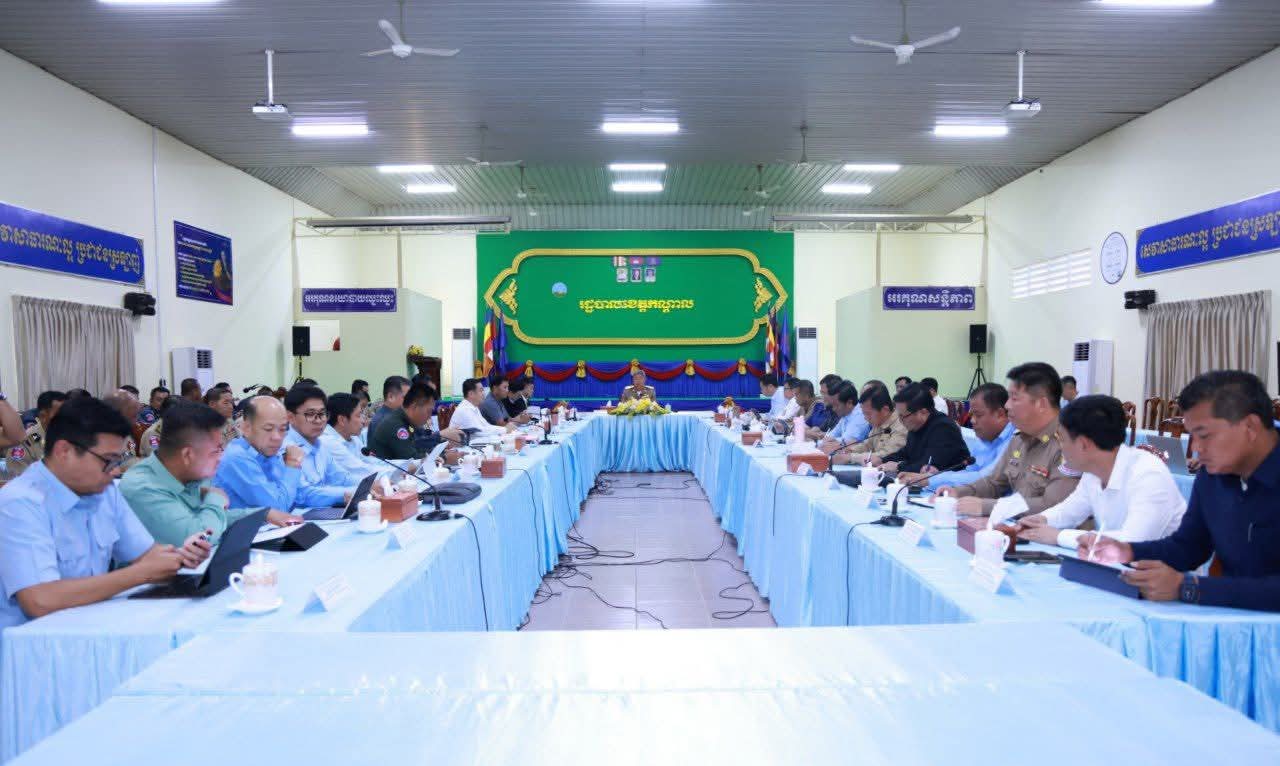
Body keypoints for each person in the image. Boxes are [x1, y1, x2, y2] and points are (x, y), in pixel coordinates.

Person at [0, 397, 211, 628]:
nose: (116, 471)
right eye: (108, 461)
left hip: (92, 625)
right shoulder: (20, 503)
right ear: (64, 451)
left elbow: (147, 555)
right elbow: (39, 600)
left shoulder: (104, 491)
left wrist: (180, 556)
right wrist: (139, 574)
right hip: (32, 641)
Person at [1084, 371, 1280, 609]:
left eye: (1204, 435)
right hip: (1235, 621)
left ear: (1250, 426)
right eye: (1192, 436)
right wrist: (1126, 551)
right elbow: (1188, 547)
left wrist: (1190, 588)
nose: (1196, 448)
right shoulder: (1213, 476)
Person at [1015, 395, 1185, 550]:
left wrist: (1059, 536)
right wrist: (1042, 520)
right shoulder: (1093, 470)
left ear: (1083, 444)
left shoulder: (1148, 474)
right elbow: (1072, 509)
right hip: (1111, 565)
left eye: (1063, 439)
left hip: (1159, 571)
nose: (1060, 447)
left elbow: (1132, 542)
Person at [122, 403, 301, 547]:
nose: (221, 457)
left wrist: (263, 514)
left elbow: (212, 519)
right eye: (216, 450)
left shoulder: (191, 472)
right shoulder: (143, 487)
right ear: (188, 455)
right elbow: (198, 536)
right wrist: (215, 498)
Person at [940, 362, 1079, 518]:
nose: (1007, 405)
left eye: (1014, 398)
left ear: (1041, 404)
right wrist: (959, 492)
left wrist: (987, 506)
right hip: (1017, 527)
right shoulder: (1020, 439)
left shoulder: (1069, 444)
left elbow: (1054, 505)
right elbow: (994, 482)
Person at [900, 383, 1015, 490]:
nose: (972, 421)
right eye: (971, 415)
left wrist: (931, 480)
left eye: (978, 415)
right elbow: (969, 472)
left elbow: (986, 478)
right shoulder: (985, 438)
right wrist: (934, 476)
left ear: (1000, 414)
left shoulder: (1016, 440)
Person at [213, 396, 306, 510]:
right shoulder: (236, 457)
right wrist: (292, 464)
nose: (277, 437)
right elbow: (277, 508)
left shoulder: (267, 452)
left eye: (282, 429)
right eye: (268, 429)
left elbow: (299, 495)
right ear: (246, 428)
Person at [281, 385, 366, 507]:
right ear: (290, 417)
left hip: (322, 511)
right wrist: (348, 493)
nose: (319, 420)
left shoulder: (320, 444)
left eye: (322, 413)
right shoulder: (285, 448)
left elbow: (341, 477)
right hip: (297, 515)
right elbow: (303, 495)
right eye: (310, 414)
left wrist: (367, 486)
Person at [869, 384, 970, 473]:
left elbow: (928, 466)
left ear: (923, 412)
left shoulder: (944, 428)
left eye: (903, 416)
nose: (900, 420)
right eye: (898, 415)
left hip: (951, 484)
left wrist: (898, 467)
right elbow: (906, 453)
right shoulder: (916, 425)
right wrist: (882, 460)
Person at [368, 383, 464, 460]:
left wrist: (442, 450)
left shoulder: (409, 421)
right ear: (414, 407)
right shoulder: (394, 424)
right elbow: (412, 459)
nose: (429, 416)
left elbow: (420, 445)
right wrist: (445, 458)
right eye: (429, 411)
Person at [833, 384, 908, 465]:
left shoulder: (902, 425)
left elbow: (886, 455)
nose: (865, 418)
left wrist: (851, 457)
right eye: (864, 414)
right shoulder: (878, 422)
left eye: (868, 414)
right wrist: (848, 451)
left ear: (885, 410)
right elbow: (867, 445)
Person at [321, 392, 384, 475]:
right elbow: (361, 470)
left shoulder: (352, 438)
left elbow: (373, 462)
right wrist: (395, 471)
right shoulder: (329, 442)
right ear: (342, 420)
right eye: (358, 415)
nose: (363, 421)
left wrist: (400, 466)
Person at [6, 391, 66, 474]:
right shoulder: (24, 442)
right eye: (60, 415)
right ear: (43, 416)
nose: (66, 419)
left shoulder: (71, 437)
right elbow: (19, 476)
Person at [819, 381, 872, 451]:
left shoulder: (861, 416)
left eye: (836, 405)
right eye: (833, 405)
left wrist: (831, 441)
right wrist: (828, 440)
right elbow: (830, 436)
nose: (833, 409)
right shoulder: (846, 413)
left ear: (849, 403)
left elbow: (847, 441)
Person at [102, 389, 143, 470]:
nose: (135, 421)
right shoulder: (98, 436)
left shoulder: (123, 433)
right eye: (133, 416)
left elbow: (127, 458)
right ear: (117, 413)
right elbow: (122, 464)